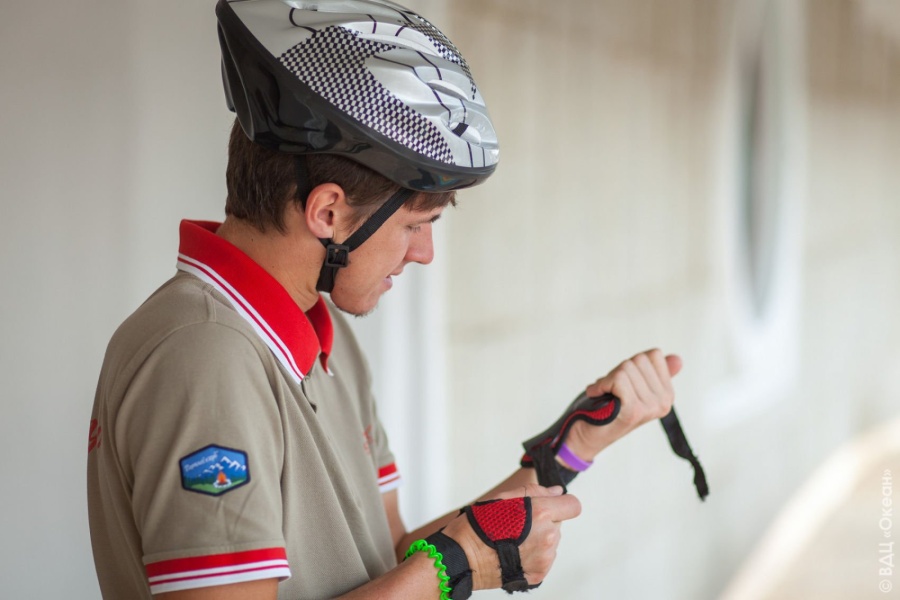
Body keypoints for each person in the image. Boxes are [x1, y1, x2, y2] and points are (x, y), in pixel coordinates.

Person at [86, 1, 681, 598]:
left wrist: (572, 446)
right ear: (328, 212)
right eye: (416, 224)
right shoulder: (204, 357)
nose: (424, 253)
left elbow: (386, 554)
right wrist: (454, 565)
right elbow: (429, 569)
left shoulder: (322, 335)